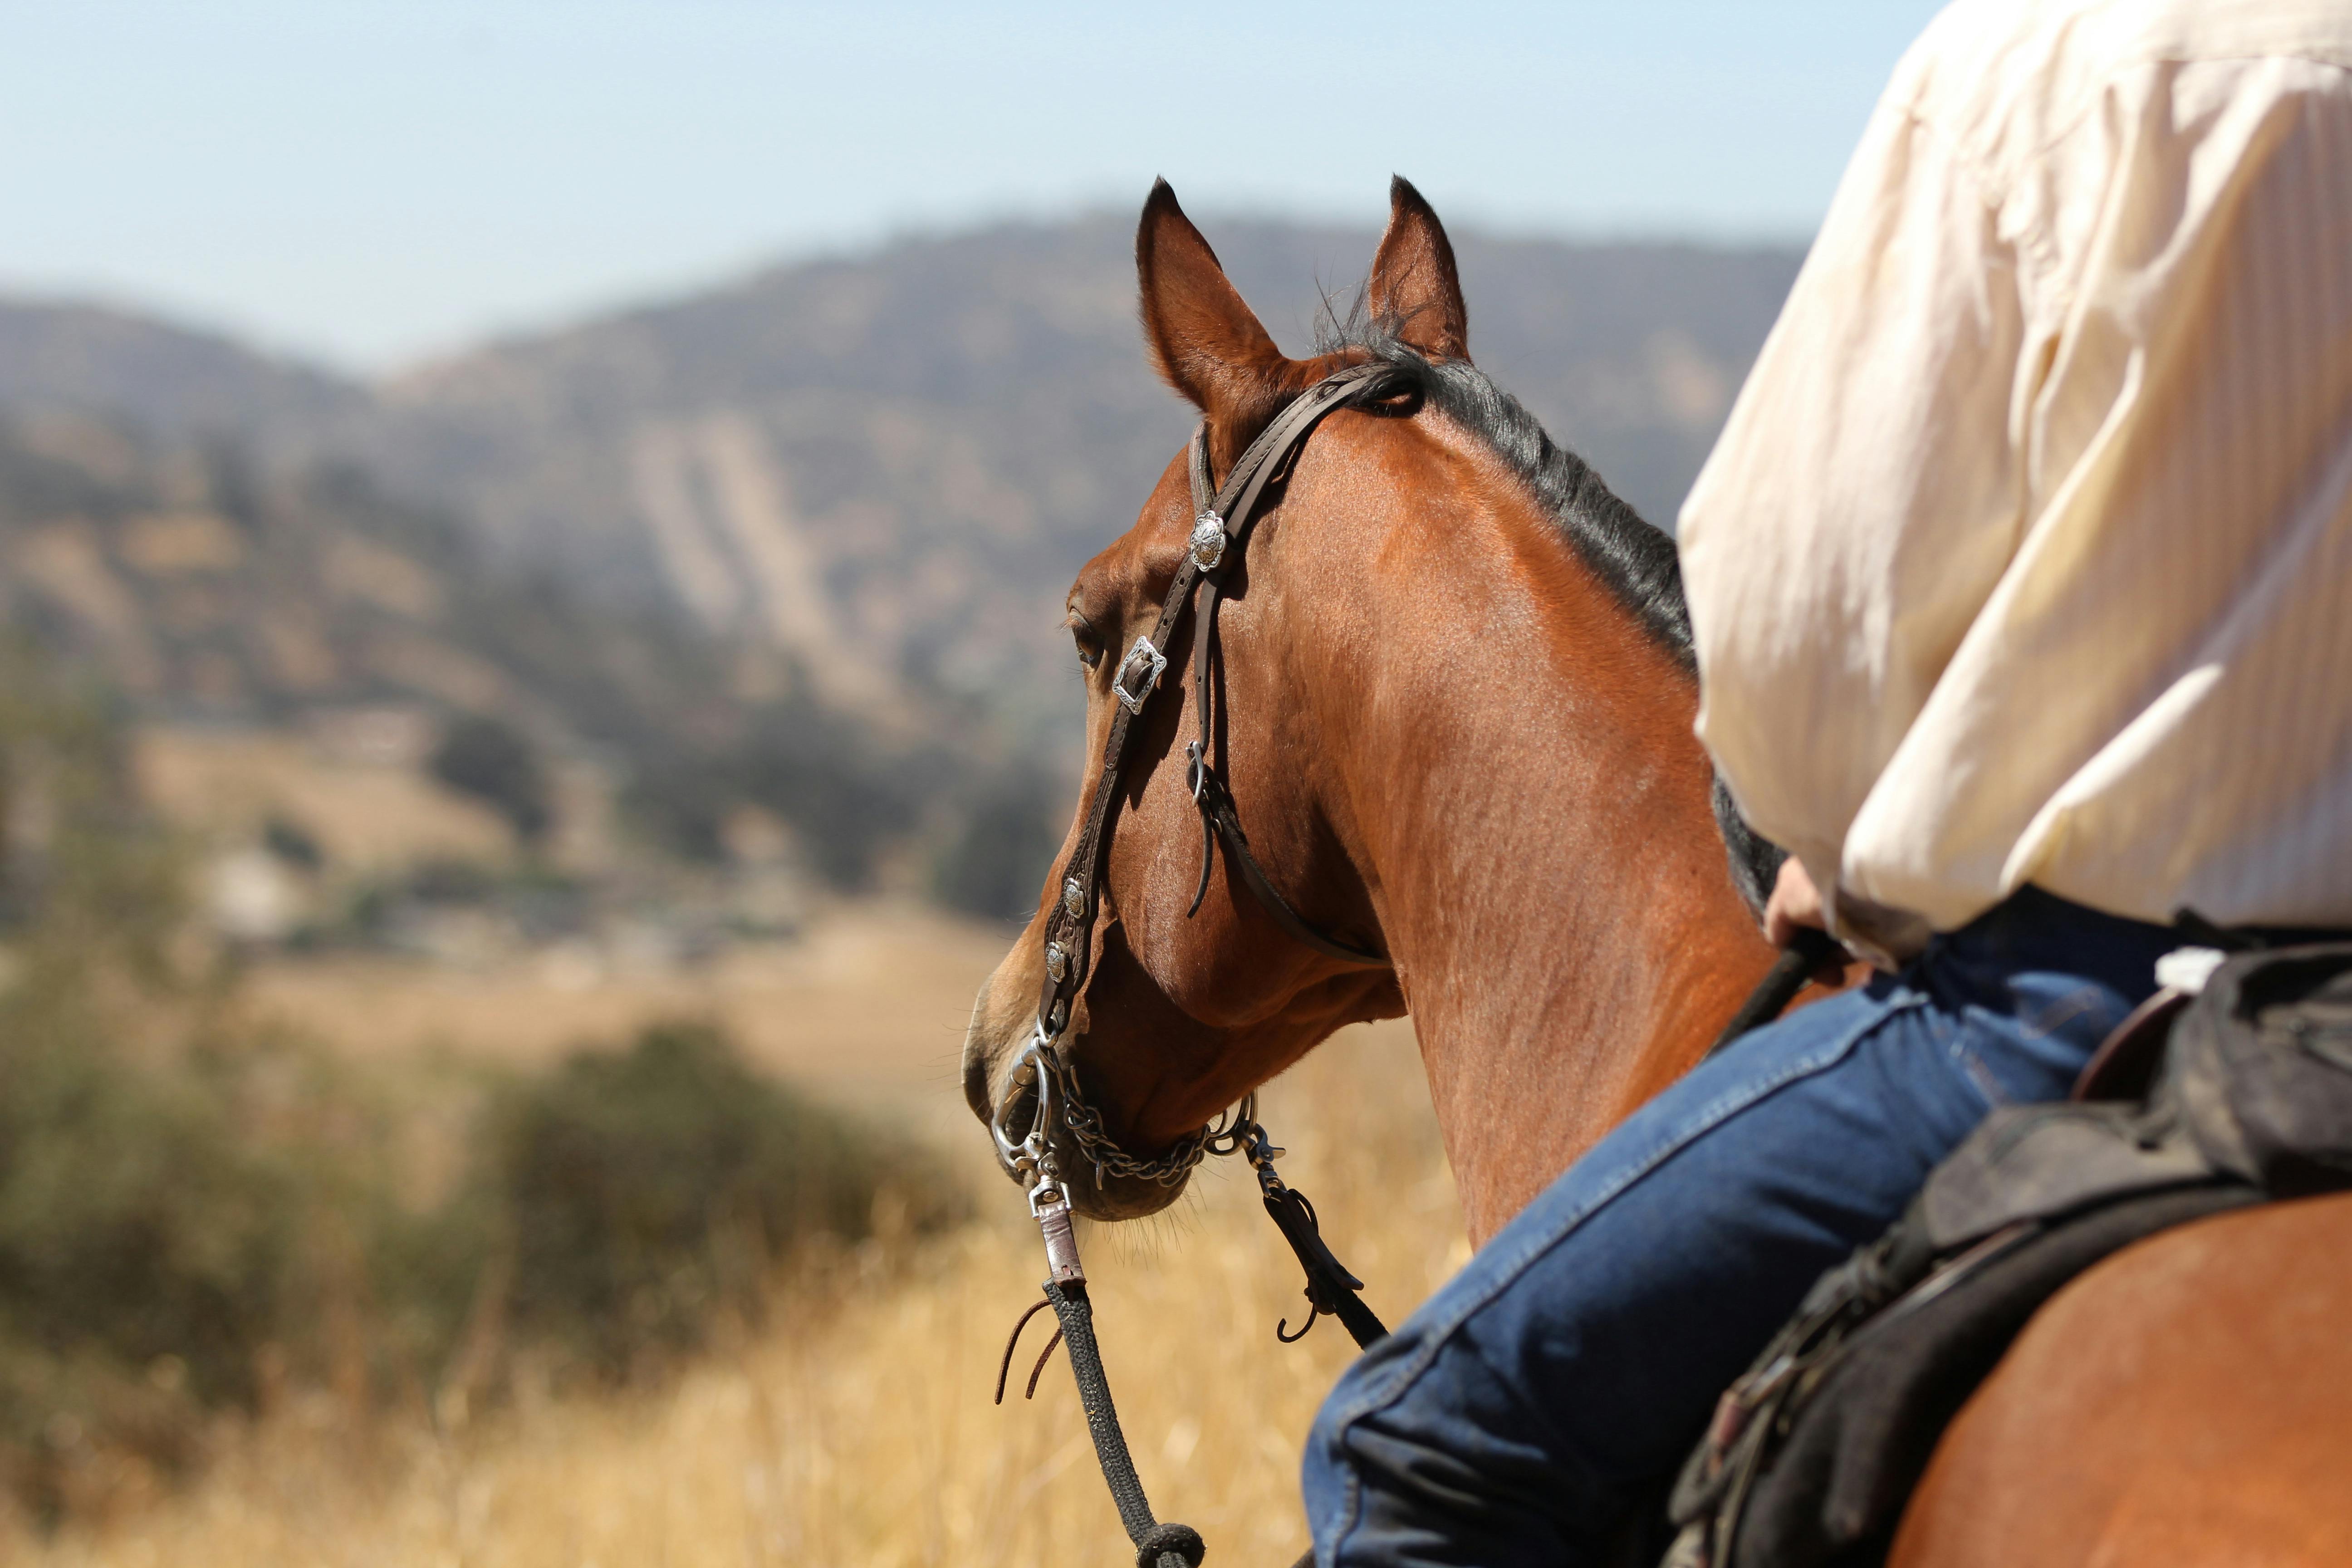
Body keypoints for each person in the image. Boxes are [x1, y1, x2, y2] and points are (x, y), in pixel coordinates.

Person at [1300, 0, 2352, 1562]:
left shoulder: (2049, 67)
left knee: (1414, 1450)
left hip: (2086, 991)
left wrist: (1831, 840)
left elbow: (1795, 605)